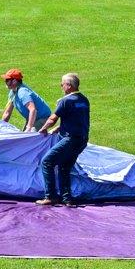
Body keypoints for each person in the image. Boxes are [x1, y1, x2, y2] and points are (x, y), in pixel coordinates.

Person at [36, 73, 90, 207]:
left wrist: (43, 129)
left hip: (70, 139)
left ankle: (50, 196)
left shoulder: (66, 101)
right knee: (64, 167)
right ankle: (67, 199)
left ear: (69, 86)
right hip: (82, 140)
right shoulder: (84, 100)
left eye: (62, 83)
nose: (61, 86)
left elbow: (52, 118)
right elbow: (77, 119)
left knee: (47, 162)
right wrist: (60, 128)